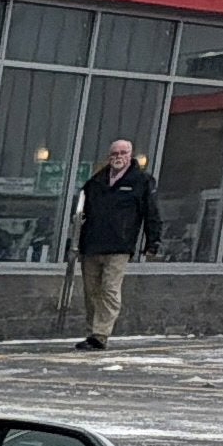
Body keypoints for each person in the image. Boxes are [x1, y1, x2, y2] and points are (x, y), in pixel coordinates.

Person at [69, 135, 162, 348]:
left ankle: (100, 335)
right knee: (91, 290)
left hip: (119, 245)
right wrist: (76, 241)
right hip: (92, 244)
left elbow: (151, 213)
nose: (118, 157)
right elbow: (82, 213)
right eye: (114, 153)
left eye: (123, 153)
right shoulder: (96, 182)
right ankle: (92, 331)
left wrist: (152, 241)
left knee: (110, 289)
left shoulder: (141, 181)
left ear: (130, 156)